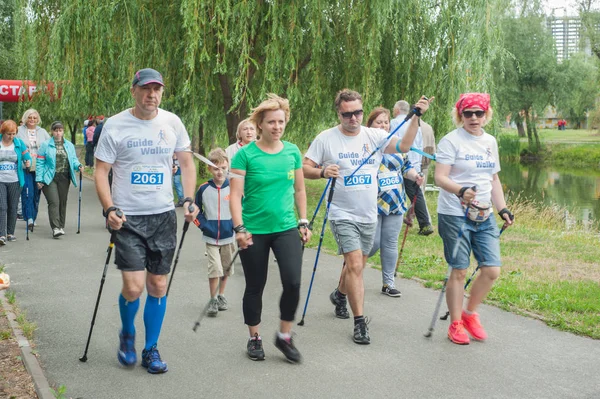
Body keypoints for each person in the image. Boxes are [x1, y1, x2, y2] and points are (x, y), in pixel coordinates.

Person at [303, 89, 431, 344]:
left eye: (357, 112)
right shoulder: (326, 139)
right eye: (347, 114)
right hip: (341, 213)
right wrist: (322, 172)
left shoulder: (375, 136)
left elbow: (404, 146)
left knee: (356, 266)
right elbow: (304, 167)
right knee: (355, 265)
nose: (353, 118)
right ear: (338, 113)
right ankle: (360, 323)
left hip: (368, 214)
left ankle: (340, 295)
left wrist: (415, 116)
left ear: (363, 110)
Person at [94, 68, 198, 374]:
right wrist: (109, 208)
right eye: (145, 89)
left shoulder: (172, 122)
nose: (151, 95)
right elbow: (101, 172)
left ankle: (150, 348)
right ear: (134, 91)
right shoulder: (114, 125)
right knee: (134, 287)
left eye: (157, 89)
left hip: (163, 215)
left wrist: (189, 198)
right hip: (127, 217)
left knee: (158, 284)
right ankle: (127, 333)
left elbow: (187, 163)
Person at [230, 94, 311, 363]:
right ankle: (254, 337)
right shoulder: (245, 155)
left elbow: (300, 189)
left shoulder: (292, 152)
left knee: (293, 282)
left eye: (281, 121)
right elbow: (234, 195)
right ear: (260, 125)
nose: (277, 127)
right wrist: (239, 228)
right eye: (271, 122)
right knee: (255, 284)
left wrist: (303, 220)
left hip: (286, 226)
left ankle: (284, 336)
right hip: (253, 229)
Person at [435, 92, 514, 345]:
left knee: (491, 270)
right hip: (455, 214)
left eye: (478, 113)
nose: (473, 118)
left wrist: (502, 208)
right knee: (459, 270)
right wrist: (459, 190)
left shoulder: (490, 142)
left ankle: (470, 314)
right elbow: (440, 177)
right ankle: (455, 324)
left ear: (486, 114)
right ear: (460, 115)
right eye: (467, 113)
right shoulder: (451, 141)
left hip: (484, 214)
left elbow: (494, 179)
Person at [365, 107, 423, 297]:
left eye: (386, 122)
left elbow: (407, 168)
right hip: (372, 203)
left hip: (395, 202)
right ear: (370, 125)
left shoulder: (397, 146)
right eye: (378, 122)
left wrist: (416, 176)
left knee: (390, 243)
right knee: (372, 244)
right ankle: (351, 271)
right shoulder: (367, 146)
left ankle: (388, 283)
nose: (383, 125)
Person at [194, 148, 235, 317]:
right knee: (214, 268)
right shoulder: (203, 189)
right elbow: (196, 210)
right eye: (216, 168)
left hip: (229, 236)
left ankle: (221, 295)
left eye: (224, 168)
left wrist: (237, 225)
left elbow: (242, 208)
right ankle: (212, 299)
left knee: (225, 269)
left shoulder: (233, 187)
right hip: (210, 236)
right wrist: (203, 225)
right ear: (210, 169)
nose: (220, 171)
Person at [391, 100, 434, 236]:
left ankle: (425, 223)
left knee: (414, 193)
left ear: (397, 110)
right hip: (415, 162)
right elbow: (420, 144)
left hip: (401, 162)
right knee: (415, 192)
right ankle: (415, 220)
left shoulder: (394, 123)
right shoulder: (416, 124)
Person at [36, 121, 84, 238]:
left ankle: (61, 225)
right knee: (54, 202)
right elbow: (40, 163)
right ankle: (55, 228)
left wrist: (78, 165)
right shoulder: (45, 145)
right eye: (56, 130)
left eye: (60, 130)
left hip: (64, 176)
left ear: (63, 131)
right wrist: (39, 179)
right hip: (50, 177)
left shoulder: (69, 145)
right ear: (52, 131)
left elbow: (73, 159)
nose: (58, 133)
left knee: (62, 202)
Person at [17, 108, 50, 231]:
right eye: (30, 117)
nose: (32, 120)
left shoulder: (43, 132)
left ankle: (33, 217)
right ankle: (29, 217)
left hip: (39, 167)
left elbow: (49, 146)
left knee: (36, 194)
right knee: (27, 192)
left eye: (34, 118)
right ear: (25, 118)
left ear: (38, 119)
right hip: (24, 166)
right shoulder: (19, 131)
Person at [0, 120, 32, 245]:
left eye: (14, 134)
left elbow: (26, 156)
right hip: (1, 180)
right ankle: (1, 234)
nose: (11, 136)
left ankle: (10, 233)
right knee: (2, 207)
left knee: (13, 207)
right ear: (3, 132)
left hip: (15, 180)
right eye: (9, 134)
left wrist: (28, 161)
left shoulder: (18, 143)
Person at [419, 117, 436, 189]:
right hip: (426, 159)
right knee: (422, 187)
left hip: (414, 160)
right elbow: (433, 147)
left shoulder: (411, 127)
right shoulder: (428, 127)